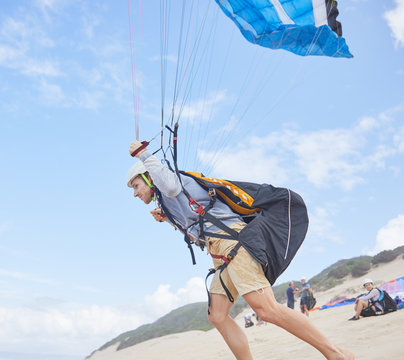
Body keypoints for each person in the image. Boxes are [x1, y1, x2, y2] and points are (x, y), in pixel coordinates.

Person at [127, 140, 354, 360]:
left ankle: (337, 354)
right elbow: (195, 227)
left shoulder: (172, 181)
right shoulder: (169, 202)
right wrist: (168, 219)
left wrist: (144, 155)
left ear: (150, 176)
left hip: (233, 244)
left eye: (137, 186)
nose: (135, 194)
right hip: (220, 255)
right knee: (217, 315)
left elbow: (170, 185)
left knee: (266, 310)